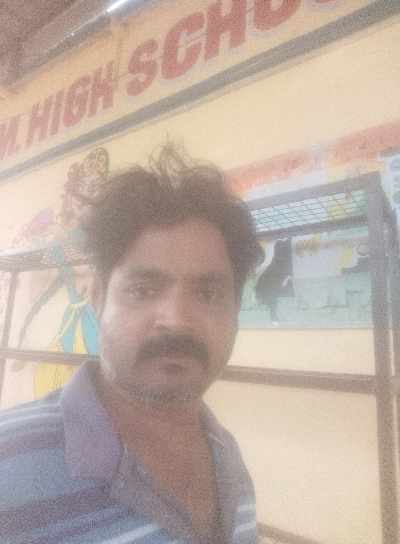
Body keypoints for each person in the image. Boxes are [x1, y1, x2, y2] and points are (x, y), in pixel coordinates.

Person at [0, 145, 263, 544]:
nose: (176, 319)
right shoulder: (9, 460)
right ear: (97, 298)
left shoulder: (228, 458)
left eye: (208, 294)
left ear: (236, 311)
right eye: (143, 290)